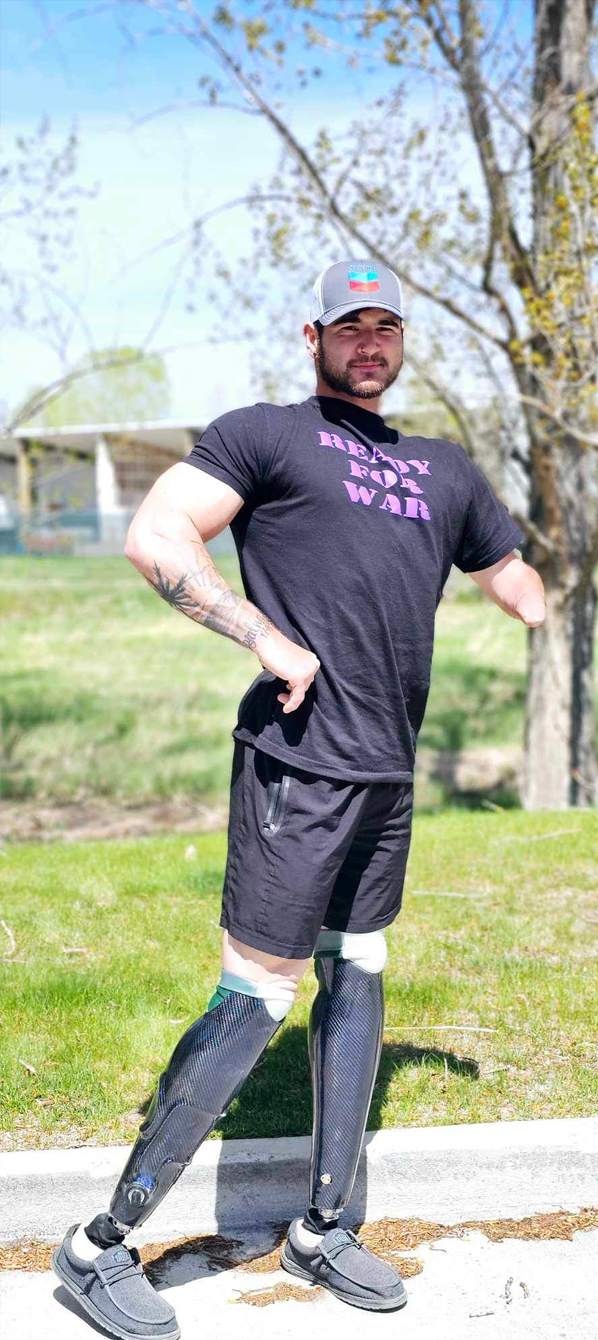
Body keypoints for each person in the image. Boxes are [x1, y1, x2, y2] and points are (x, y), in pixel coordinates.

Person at [51, 257, 547, 1338]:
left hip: (384, 772)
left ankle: (323, 1226)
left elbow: (513, 574)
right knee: (258, 996)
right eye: (351, 325)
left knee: (360, 967)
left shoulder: (440, 467)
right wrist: (263, 634)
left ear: (402, 340)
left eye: (387, 327)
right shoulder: (265, 434)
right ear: (312, 333)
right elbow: (157, 536)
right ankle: (99, 1245)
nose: (370, 343)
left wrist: (524, 584)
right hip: (297, 764)